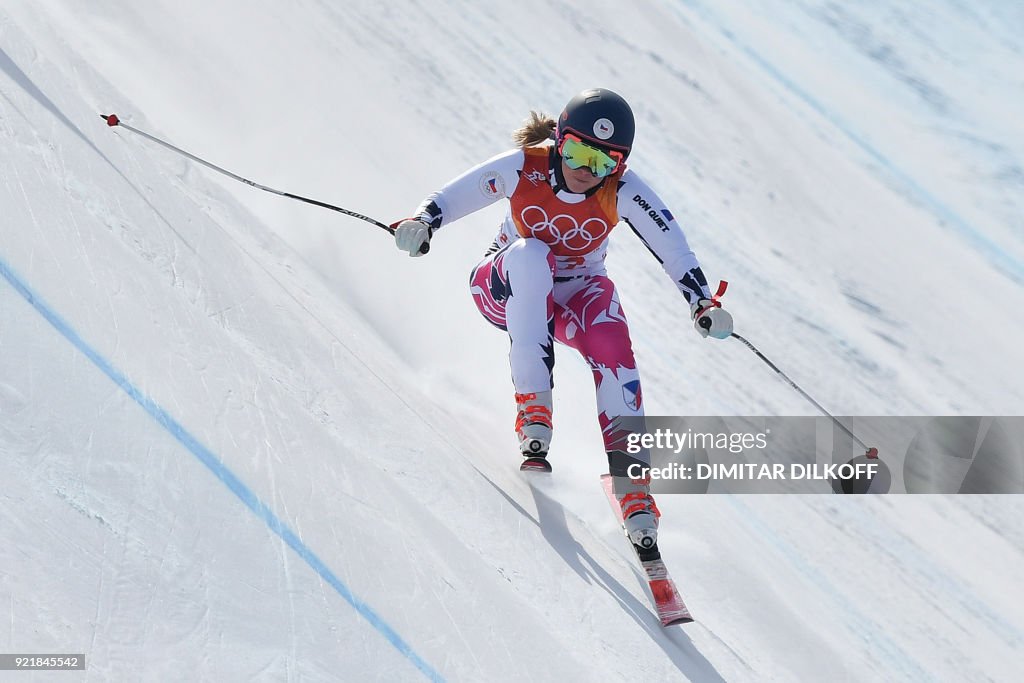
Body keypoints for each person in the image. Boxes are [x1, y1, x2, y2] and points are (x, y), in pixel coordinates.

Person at [393, 88, 733, 551]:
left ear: (619, 166)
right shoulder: (525, 165)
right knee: (533, 256)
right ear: (558, 140)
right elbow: (457, 193)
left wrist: (701, 302)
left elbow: (671, 243)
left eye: (601, 164)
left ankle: (633, 486)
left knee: (610, 328)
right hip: (505, 286)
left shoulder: (622, 190)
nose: (582, 171)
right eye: (574, 153)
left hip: (570, 300)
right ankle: (534, 407)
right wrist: (424, 221)